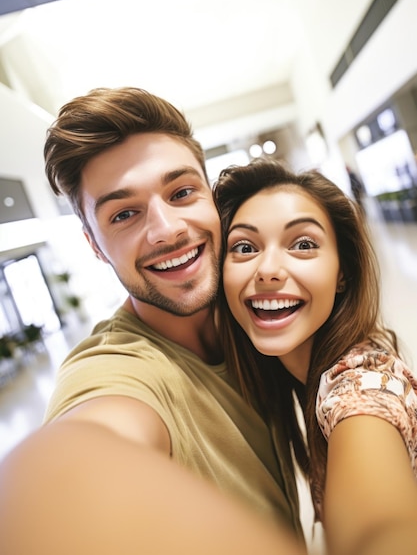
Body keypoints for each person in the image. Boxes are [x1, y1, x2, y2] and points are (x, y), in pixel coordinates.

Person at [0, 88, 306, 555]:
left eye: (181, 192)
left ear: (211, 198)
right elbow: (75, 463)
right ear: (95, 245)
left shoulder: (257, 307)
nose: (167, 230)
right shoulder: (116, 371)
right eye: (124, 214)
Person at [213, 157, 417, 555]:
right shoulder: (300, 375)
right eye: (244, 247)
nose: (268, 269)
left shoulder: (358, 387)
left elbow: (380, 532)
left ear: (344, 271)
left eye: (303, 244)